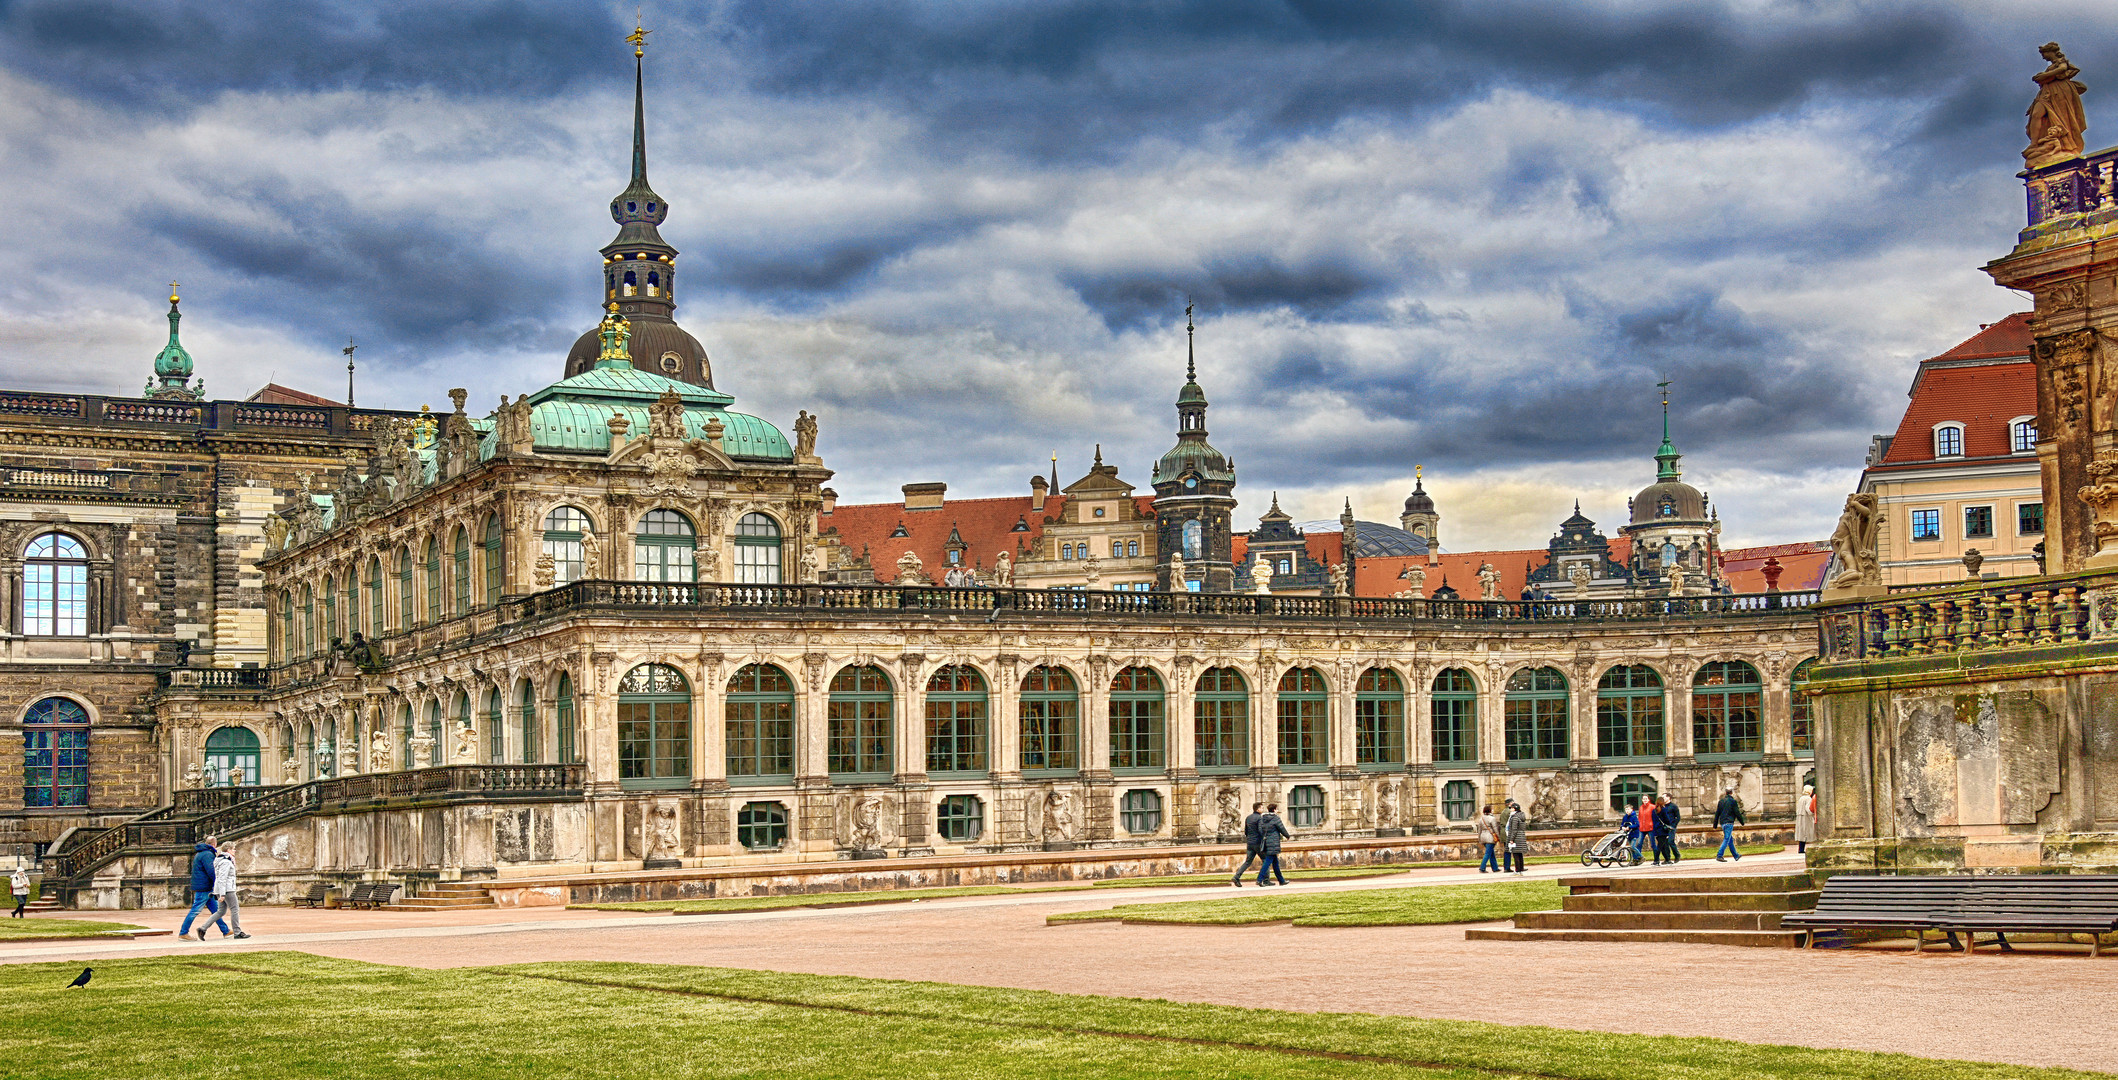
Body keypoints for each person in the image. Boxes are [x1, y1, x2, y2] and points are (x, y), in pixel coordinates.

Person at [177, 837, 228, 941]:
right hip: (204, 887)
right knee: (195, 911)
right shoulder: (207, 854)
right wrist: (218, 883)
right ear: (214, 844)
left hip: (204, 886)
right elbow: (212, 871)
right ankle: (183, 933)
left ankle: (226, 931)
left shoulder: (201, 853)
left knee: (216, 910)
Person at [212, 845, 250, 940]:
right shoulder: (226, 861)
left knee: (220, 911)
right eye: (233, 849)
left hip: (224, 888)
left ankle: (203, 928)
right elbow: (222, 878)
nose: (235, 850)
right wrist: (222, 894)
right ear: (228, 850)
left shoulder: (223, 859)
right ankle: (237, 932)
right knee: (234, 909)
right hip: (227, 889)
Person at [1254, 802, 1290, 886]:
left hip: (1266, 841)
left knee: (1275, 863)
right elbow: (1281, 828)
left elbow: (1260, 829)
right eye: (1276, 809)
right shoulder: (1275, 818)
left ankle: (1281, 880)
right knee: (1267, 862)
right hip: (1273, 842)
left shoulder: (1263, 818)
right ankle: (1259, 879)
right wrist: (1287, 835)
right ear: (1274, 810)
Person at [1230, 802, 1265, 886]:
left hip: (1250, 842)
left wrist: (1250, 838)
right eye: (1262, 808)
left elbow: (1246, 831)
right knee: (1265, 860)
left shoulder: (1248, 818)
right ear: (1258, 809)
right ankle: (1264, 880)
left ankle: (1236, 876)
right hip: (1257, 842)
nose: (1263, 809)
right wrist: (1264, 838)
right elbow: (1260, 830)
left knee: (1248, 862)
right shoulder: (1259, 818)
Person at [1714, 787, 1746, 861]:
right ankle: (1719, 855)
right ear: (1731, 793)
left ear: (1726, 793)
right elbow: (1737, 812)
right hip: (1729, 822)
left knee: (1729, 839)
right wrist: (1742, 822)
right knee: (1726, 839)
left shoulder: (1721, 801)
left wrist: (1715, 825)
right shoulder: (1733, 801)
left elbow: (1717, 813)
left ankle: (1736, 855)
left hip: (1722, 822)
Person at [1655, 796, 1682, 864]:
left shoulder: (1673, 806)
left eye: (1665, 797)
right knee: (1665, 843)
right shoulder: (1662, 807)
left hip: (1671, 826)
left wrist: (1673, 825)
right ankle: (1667, 858)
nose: (1663, 799)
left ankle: (1677, 854)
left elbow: (1678, 817)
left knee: (1670, 841)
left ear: (1669, 798)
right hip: (1664, 827)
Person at [1503, 800, 1527, 874]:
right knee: (1520, 854)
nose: (1511, 809)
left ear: (1514, 809)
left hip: (1516, 838)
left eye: (1512, 808)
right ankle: (1521, 868)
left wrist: (1511, 839)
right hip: (1521, 837)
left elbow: (1514, 829)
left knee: (1516, 854)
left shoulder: (1515, 817)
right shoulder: (1521, 816)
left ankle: (1517, 870)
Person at [1475, 805, 1500, 873]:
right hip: (1490, 837)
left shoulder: (1481, 819)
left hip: (1483, 837)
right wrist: (1499, 837)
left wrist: (1479, 838)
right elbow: (1495, 829)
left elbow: (1479, 830)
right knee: (1488, 853)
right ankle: (1482, 868)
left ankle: (1495, 867)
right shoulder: (1492, 819)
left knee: (1491, 853)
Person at [1795, 784, 1817, 855]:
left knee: (1802, 833)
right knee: (1807, 832)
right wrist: (1813, 812)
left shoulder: (1801, 798)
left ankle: (1801, 849)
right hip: (1806, 817)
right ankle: (1812, 847)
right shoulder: (1808, 799)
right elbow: (1808, 810)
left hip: (1800, 817)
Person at [1621, 801, 1644, 866]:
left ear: (1631, 809)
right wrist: (1622, 827)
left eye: (1628, 809)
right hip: (1628, 834)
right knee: (1631, 848)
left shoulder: (1634, 816)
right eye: (1626, 809)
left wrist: (1629, 827)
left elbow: (1637, 825)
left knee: (1633, 846)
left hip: (1634, 834)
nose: (1627, 811)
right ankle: (1635, 859)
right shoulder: (1625, 817)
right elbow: (1622, 824)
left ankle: (1641, 857)